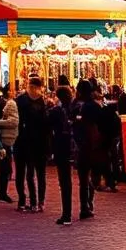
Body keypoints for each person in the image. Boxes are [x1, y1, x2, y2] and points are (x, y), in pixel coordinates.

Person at [14, 76, 51, 212]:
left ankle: (29, 201)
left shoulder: (21, 101)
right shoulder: (44, 102)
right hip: (35, 141)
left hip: (26, 140)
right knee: (37, 173)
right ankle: (37, 201)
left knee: (28, 172)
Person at [71, 80, 101, 218]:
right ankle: (88, 203)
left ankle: (85, 205)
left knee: (83, 178)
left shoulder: (77, 106)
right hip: (93, 146)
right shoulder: (95, 106)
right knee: (89, 177)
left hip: (83, 145)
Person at [49, 85, 75, 225]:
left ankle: (66, 214)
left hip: (61, 147)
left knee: (64, 181)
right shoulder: (74, 108)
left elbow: (47, 125)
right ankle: (86, 205)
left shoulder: (56, 111)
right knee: (70, 181)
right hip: (74, 147)